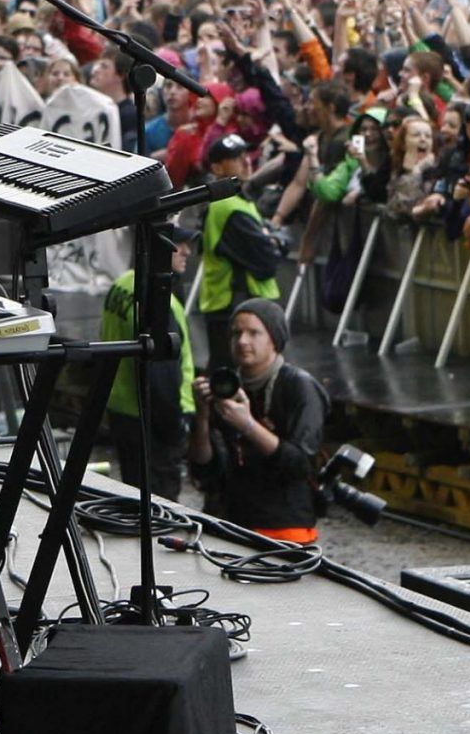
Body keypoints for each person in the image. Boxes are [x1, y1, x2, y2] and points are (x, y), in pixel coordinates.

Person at [188, 297, 328, 543]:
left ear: (274, 339)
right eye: (236, 333)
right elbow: (203, 470)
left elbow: (300, 464)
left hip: (284, 528)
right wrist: (202, 415)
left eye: (254, 333)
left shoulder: (298, 386)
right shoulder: (226, 386)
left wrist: (248, 425)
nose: (243, 341)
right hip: (231, 523)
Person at [101, 233, 195, 501]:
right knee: (160, 506)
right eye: (179, 245)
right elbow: (162, 378)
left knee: (134, 494)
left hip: (121, 411)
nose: (187, 251)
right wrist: (175, 430)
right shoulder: (159, 304)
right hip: (153, 420)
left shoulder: (121, 284)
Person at [195, 132, 285, 363]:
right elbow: (267, 261)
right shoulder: (229, 209)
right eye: (236, 158)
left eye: (246, 155)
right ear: (217, 168)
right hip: (235, 306)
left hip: (232, 306)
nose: (247, 162)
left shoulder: (236, 201)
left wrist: (272, 240)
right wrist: (273, 241)